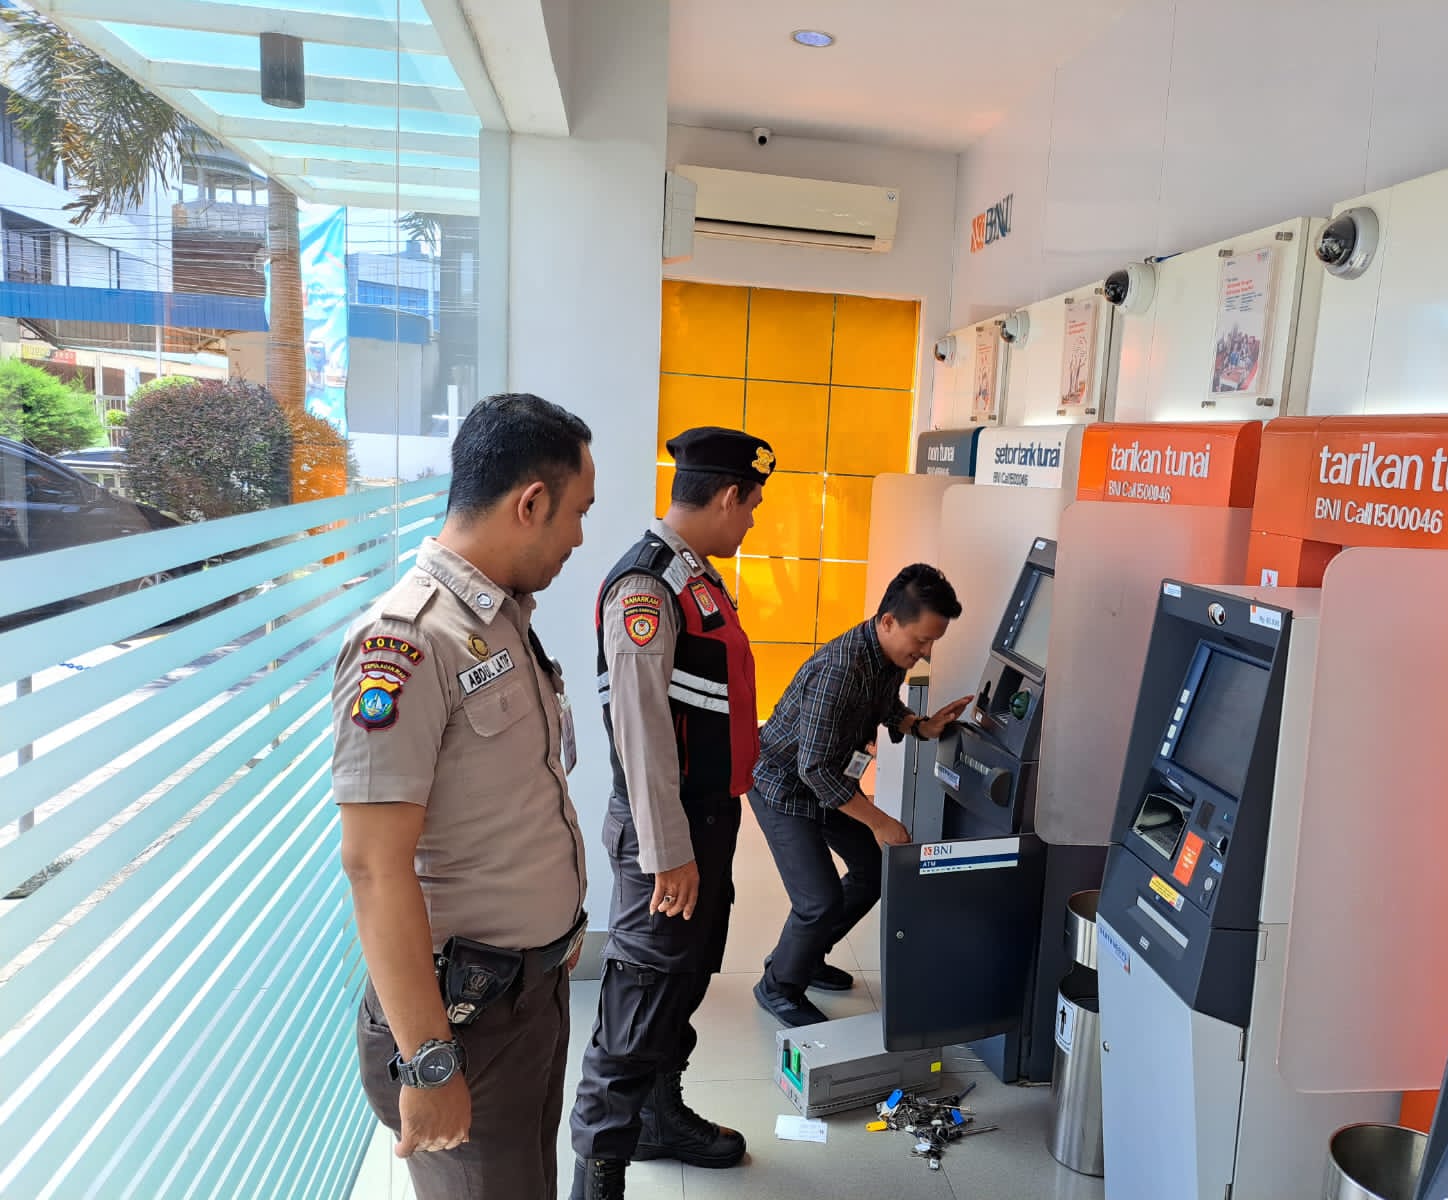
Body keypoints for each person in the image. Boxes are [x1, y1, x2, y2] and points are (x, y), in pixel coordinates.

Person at [334, 393, 595, 1200]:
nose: (580, 537)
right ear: (531, 503)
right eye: (578, 513)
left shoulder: (502, 618)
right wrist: (428, 1062)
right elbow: (374, 867)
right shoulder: (408, 640)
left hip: (527, 996)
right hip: (460, 1024)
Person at [568, 426, 774, 1200]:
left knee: (680, 984)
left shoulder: (696, 576)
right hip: (670, 833)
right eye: (750, 507)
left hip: (704, 824)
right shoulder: (647, 587)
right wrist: (667, 853)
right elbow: (641, 730)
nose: (750, 522)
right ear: (727, 496)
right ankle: (597, 1177)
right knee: (637, 1007)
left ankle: (659, 1117)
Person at [749, 563, 972, 1027]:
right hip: (784, 786)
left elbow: (885, 705)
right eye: (922, 641)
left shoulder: (886, 657)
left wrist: (920, 726)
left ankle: (804, 957)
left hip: (828, 784)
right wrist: (879, 820)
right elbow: (812, 768)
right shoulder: (841, 669)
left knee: (873, 870)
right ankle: (778, 985)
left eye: (932, 643)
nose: (925, 653)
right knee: (819, 899)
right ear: (888, 621)